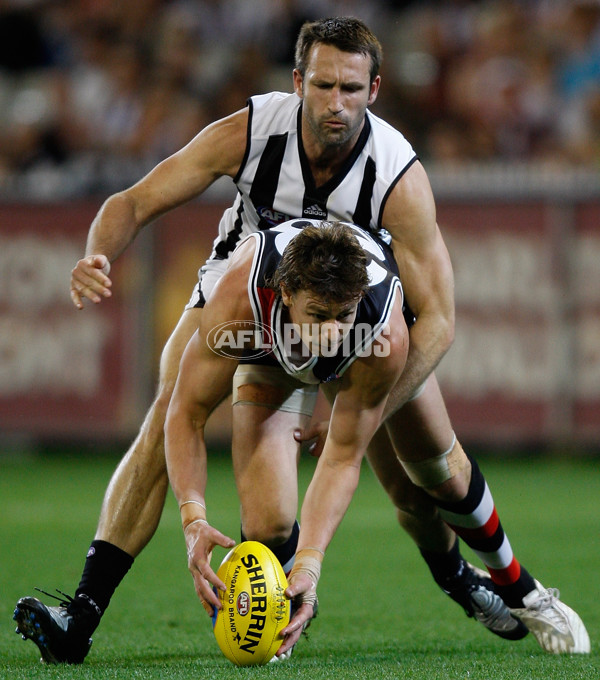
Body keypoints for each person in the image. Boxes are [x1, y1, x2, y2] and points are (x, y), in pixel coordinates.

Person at [13, 17, 588, 664]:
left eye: (349, 87)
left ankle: (492, 583)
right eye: (322, 86)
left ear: (374, 88)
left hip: (357, 324)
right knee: (193, 438)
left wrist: (360, 411)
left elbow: (442, 321)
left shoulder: (397, 178)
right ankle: (84, 614)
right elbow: (134, 202)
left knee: (426, 477)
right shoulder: (252, 143)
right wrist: (97, 255)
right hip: (261, 305)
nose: (335, 103)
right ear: (297, 83)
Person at [165, 218, 410, 658]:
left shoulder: (384, 332)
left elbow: (341, 458)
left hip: (365, 360)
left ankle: (471, 579)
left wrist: (311, 565)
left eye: (343, 315)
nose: (333, 333)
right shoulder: (240, 303)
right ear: (286, 295)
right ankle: (278, 608)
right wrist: (192, 520)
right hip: (271, 351)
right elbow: (187, 413)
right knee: (266, 525)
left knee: (435, 472)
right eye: (319, 315)